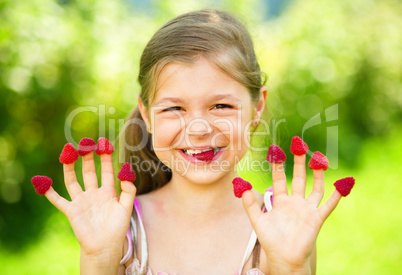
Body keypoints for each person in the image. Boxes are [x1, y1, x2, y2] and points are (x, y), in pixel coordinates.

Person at [44, 9, 343, 275]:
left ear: (257, 107)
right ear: (147, 115)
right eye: (174, 108)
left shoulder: (282, 229)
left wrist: (291, 267)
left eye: (221, 106)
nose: (198, 130)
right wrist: (101, 259)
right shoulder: (120, 229)